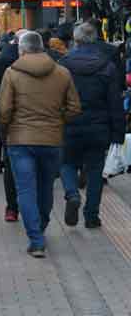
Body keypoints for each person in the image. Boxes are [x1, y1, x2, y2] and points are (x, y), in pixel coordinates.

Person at [0, 31, 81, 258]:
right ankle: (41, 226)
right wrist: (57, 120)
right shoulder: (62, 73)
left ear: (21, 50)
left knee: (25, 189)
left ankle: (35, 239)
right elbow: (74, 108)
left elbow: (3, 110)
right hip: (52, 139)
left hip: (20, 140)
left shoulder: (11, 73)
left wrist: (6, 132)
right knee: (45, 187)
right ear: (42, 48)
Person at [59, 23, 125, 228]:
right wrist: (118, 133)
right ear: (95, 38)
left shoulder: (63, 64)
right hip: (99, 127)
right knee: (95, 170)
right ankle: (91, 216)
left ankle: (72, 194)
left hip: (69, 124)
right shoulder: (107, 66)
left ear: (75, 39)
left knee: (67, 163)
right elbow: (115, 102)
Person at [0, 34, 20, 221]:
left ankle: (12, 208)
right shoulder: (56, 70)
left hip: (7, 118)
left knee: (8, 156)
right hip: (39, 131)